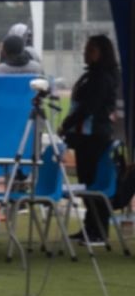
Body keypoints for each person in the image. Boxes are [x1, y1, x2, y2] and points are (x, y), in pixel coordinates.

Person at [58, 34, 120, 243]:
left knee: (95, 183)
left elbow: (88, 108)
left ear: (102, 53)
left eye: (91, 50)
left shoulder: (101, 77)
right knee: (86, 182)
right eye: (86, 49)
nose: (86, 53)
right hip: (84, 136)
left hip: (94, 136)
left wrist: (66, 124)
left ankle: (99, 230)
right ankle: (89, 226)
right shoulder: (91, 75)